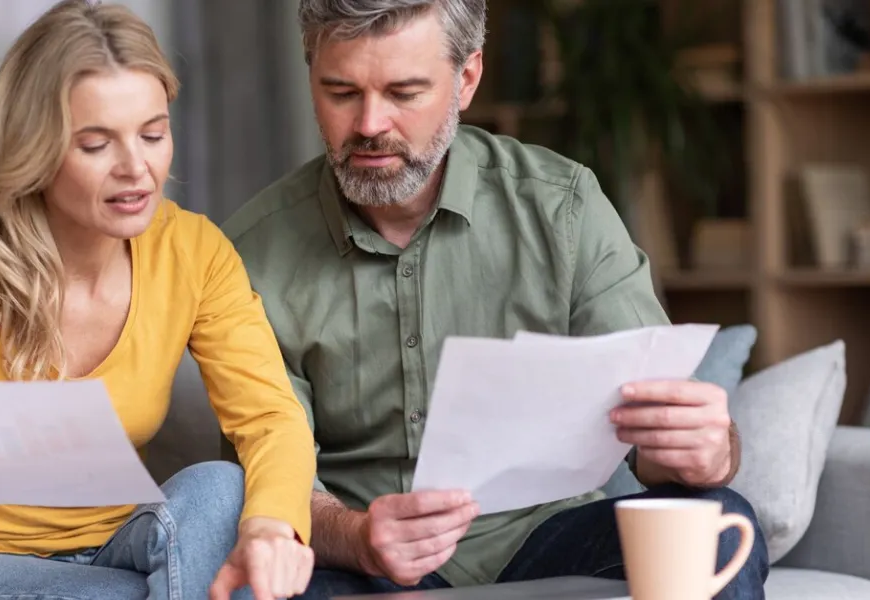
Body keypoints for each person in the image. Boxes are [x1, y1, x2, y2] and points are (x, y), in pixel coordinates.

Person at [221, 1, 770, 599]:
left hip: (545, 532)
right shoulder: (250, 253)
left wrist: (707, 454)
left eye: (404, 93)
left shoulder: (563, 208)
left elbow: (653, 442)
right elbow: (270, 479)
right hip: (358, 555)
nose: (371, 123)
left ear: (467, 79)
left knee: (720, 523)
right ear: (311, 78)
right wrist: (356, 537)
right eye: (341, 92)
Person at [0, 2, 317, 599]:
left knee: (225, 488)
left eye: (153, 134)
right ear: (32, 150)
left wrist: (272, 530)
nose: (137, 168)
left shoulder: (193, 252)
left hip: (116, 547)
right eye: (95, 144)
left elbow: (272, 418)